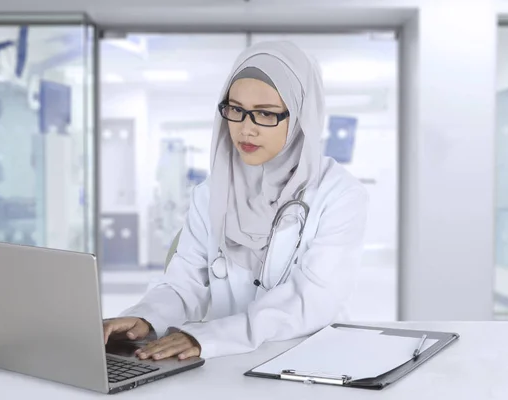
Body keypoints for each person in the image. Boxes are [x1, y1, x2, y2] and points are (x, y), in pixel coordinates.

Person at [103, 41, 369, 361]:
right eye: (236, 109)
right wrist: (146, 317)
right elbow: (184, 282)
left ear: (300, 116)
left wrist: (212, 337)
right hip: (230, 367)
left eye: (265, 115)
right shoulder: (211, 193)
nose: (246, 129)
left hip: (312, 363)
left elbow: (313, 299)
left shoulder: (338, 195)